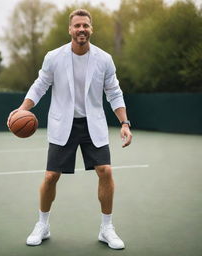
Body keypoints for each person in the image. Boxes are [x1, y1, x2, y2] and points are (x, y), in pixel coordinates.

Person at [7, 9, 132, 250]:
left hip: (92, 124)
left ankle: (107, 228)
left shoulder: (104, 59)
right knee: (51, 176)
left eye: (85, 25)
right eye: (77, 26)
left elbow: (114, 92)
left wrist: (125, 123)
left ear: (91, 29)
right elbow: (40, 85)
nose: (81, 29)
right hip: (62, 123)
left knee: (105, 171)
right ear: (70, 29)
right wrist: (21, 110)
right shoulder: (54, 57)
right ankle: (42, 224)